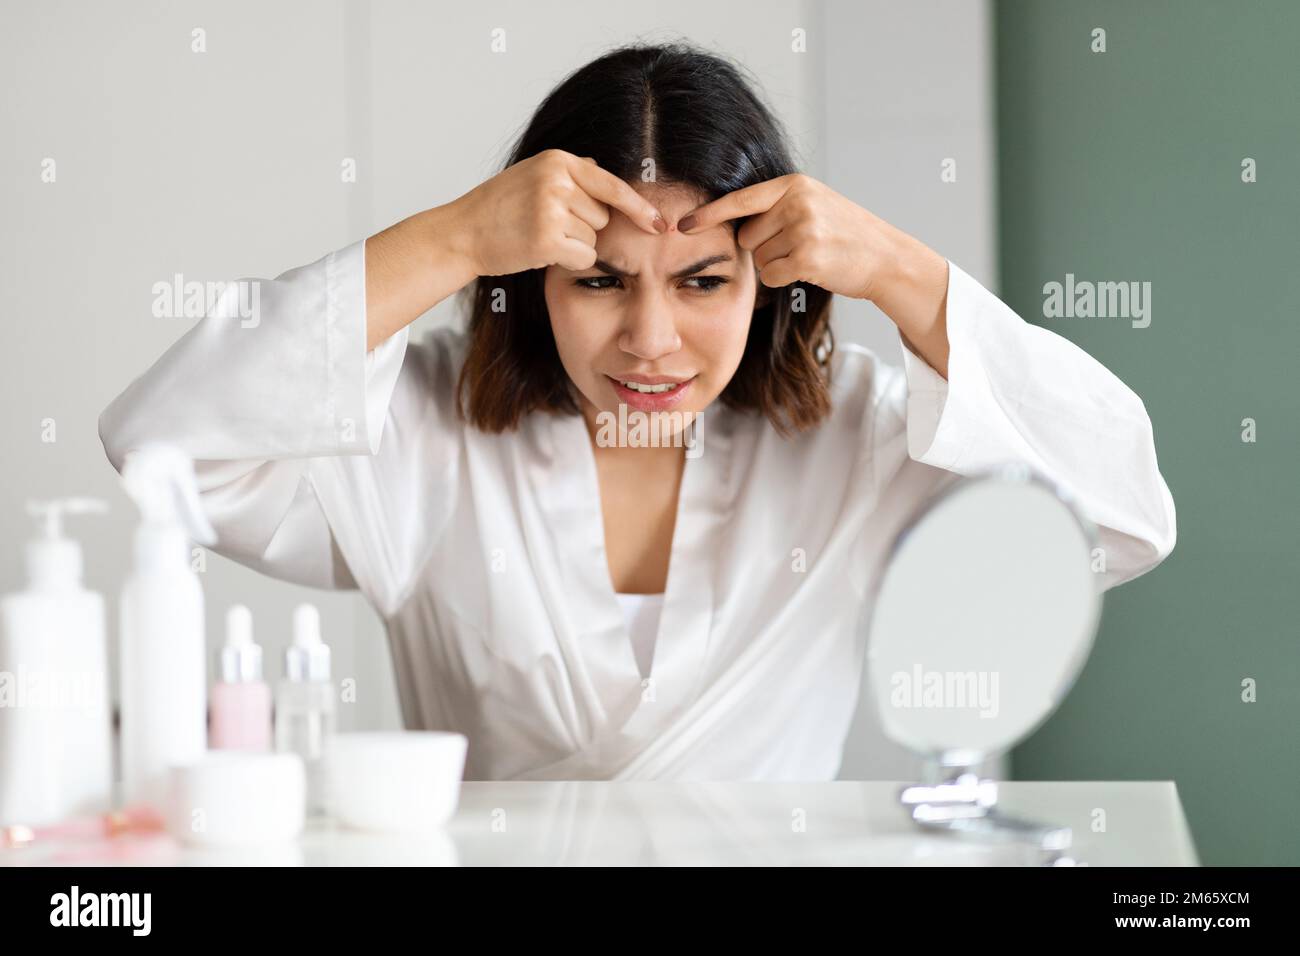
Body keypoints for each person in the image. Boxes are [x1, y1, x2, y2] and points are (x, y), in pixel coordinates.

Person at [99, 43, 1176, 780]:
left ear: (767, 284)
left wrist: (903, 272)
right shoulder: (422, 435)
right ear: (534, 277)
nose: (650, 341)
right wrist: (453, 238)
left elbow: (1123, 514)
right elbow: (163, 447)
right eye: (602, 281)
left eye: (702, 282)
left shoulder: (857, 437)